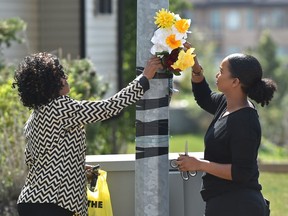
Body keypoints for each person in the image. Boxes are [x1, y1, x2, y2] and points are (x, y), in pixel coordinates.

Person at [12, 52, 162, 216]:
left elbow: (41, 161)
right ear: (47, 84)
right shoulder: (59, 107)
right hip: (51, 204)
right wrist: (144, 79)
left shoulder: (36, 115)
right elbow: (107, 108)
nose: (66, 77)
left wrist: (77, 169)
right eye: (60, 75)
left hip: (33, 202)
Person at [176, 45, 276, 216]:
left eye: (221, 71)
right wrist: (196, 68)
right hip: (223, 203)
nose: (217, 75)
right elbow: (204, 97)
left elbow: (241, 172)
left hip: (239, 206)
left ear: (235, 82)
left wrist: (199, 164)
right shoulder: (226, 104)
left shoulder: (246, 121)